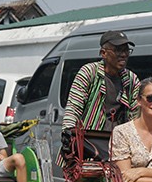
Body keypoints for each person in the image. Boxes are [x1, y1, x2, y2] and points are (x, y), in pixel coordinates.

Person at [59, 30, 141, 165]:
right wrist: (69, 137)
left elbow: (135, 115)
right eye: (118, 50)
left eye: (126, 50)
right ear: (104, 53)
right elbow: (74, 108)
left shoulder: (131, 79)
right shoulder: (88, 73)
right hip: (90, 144)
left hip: (117, 144)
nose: (124, 55)